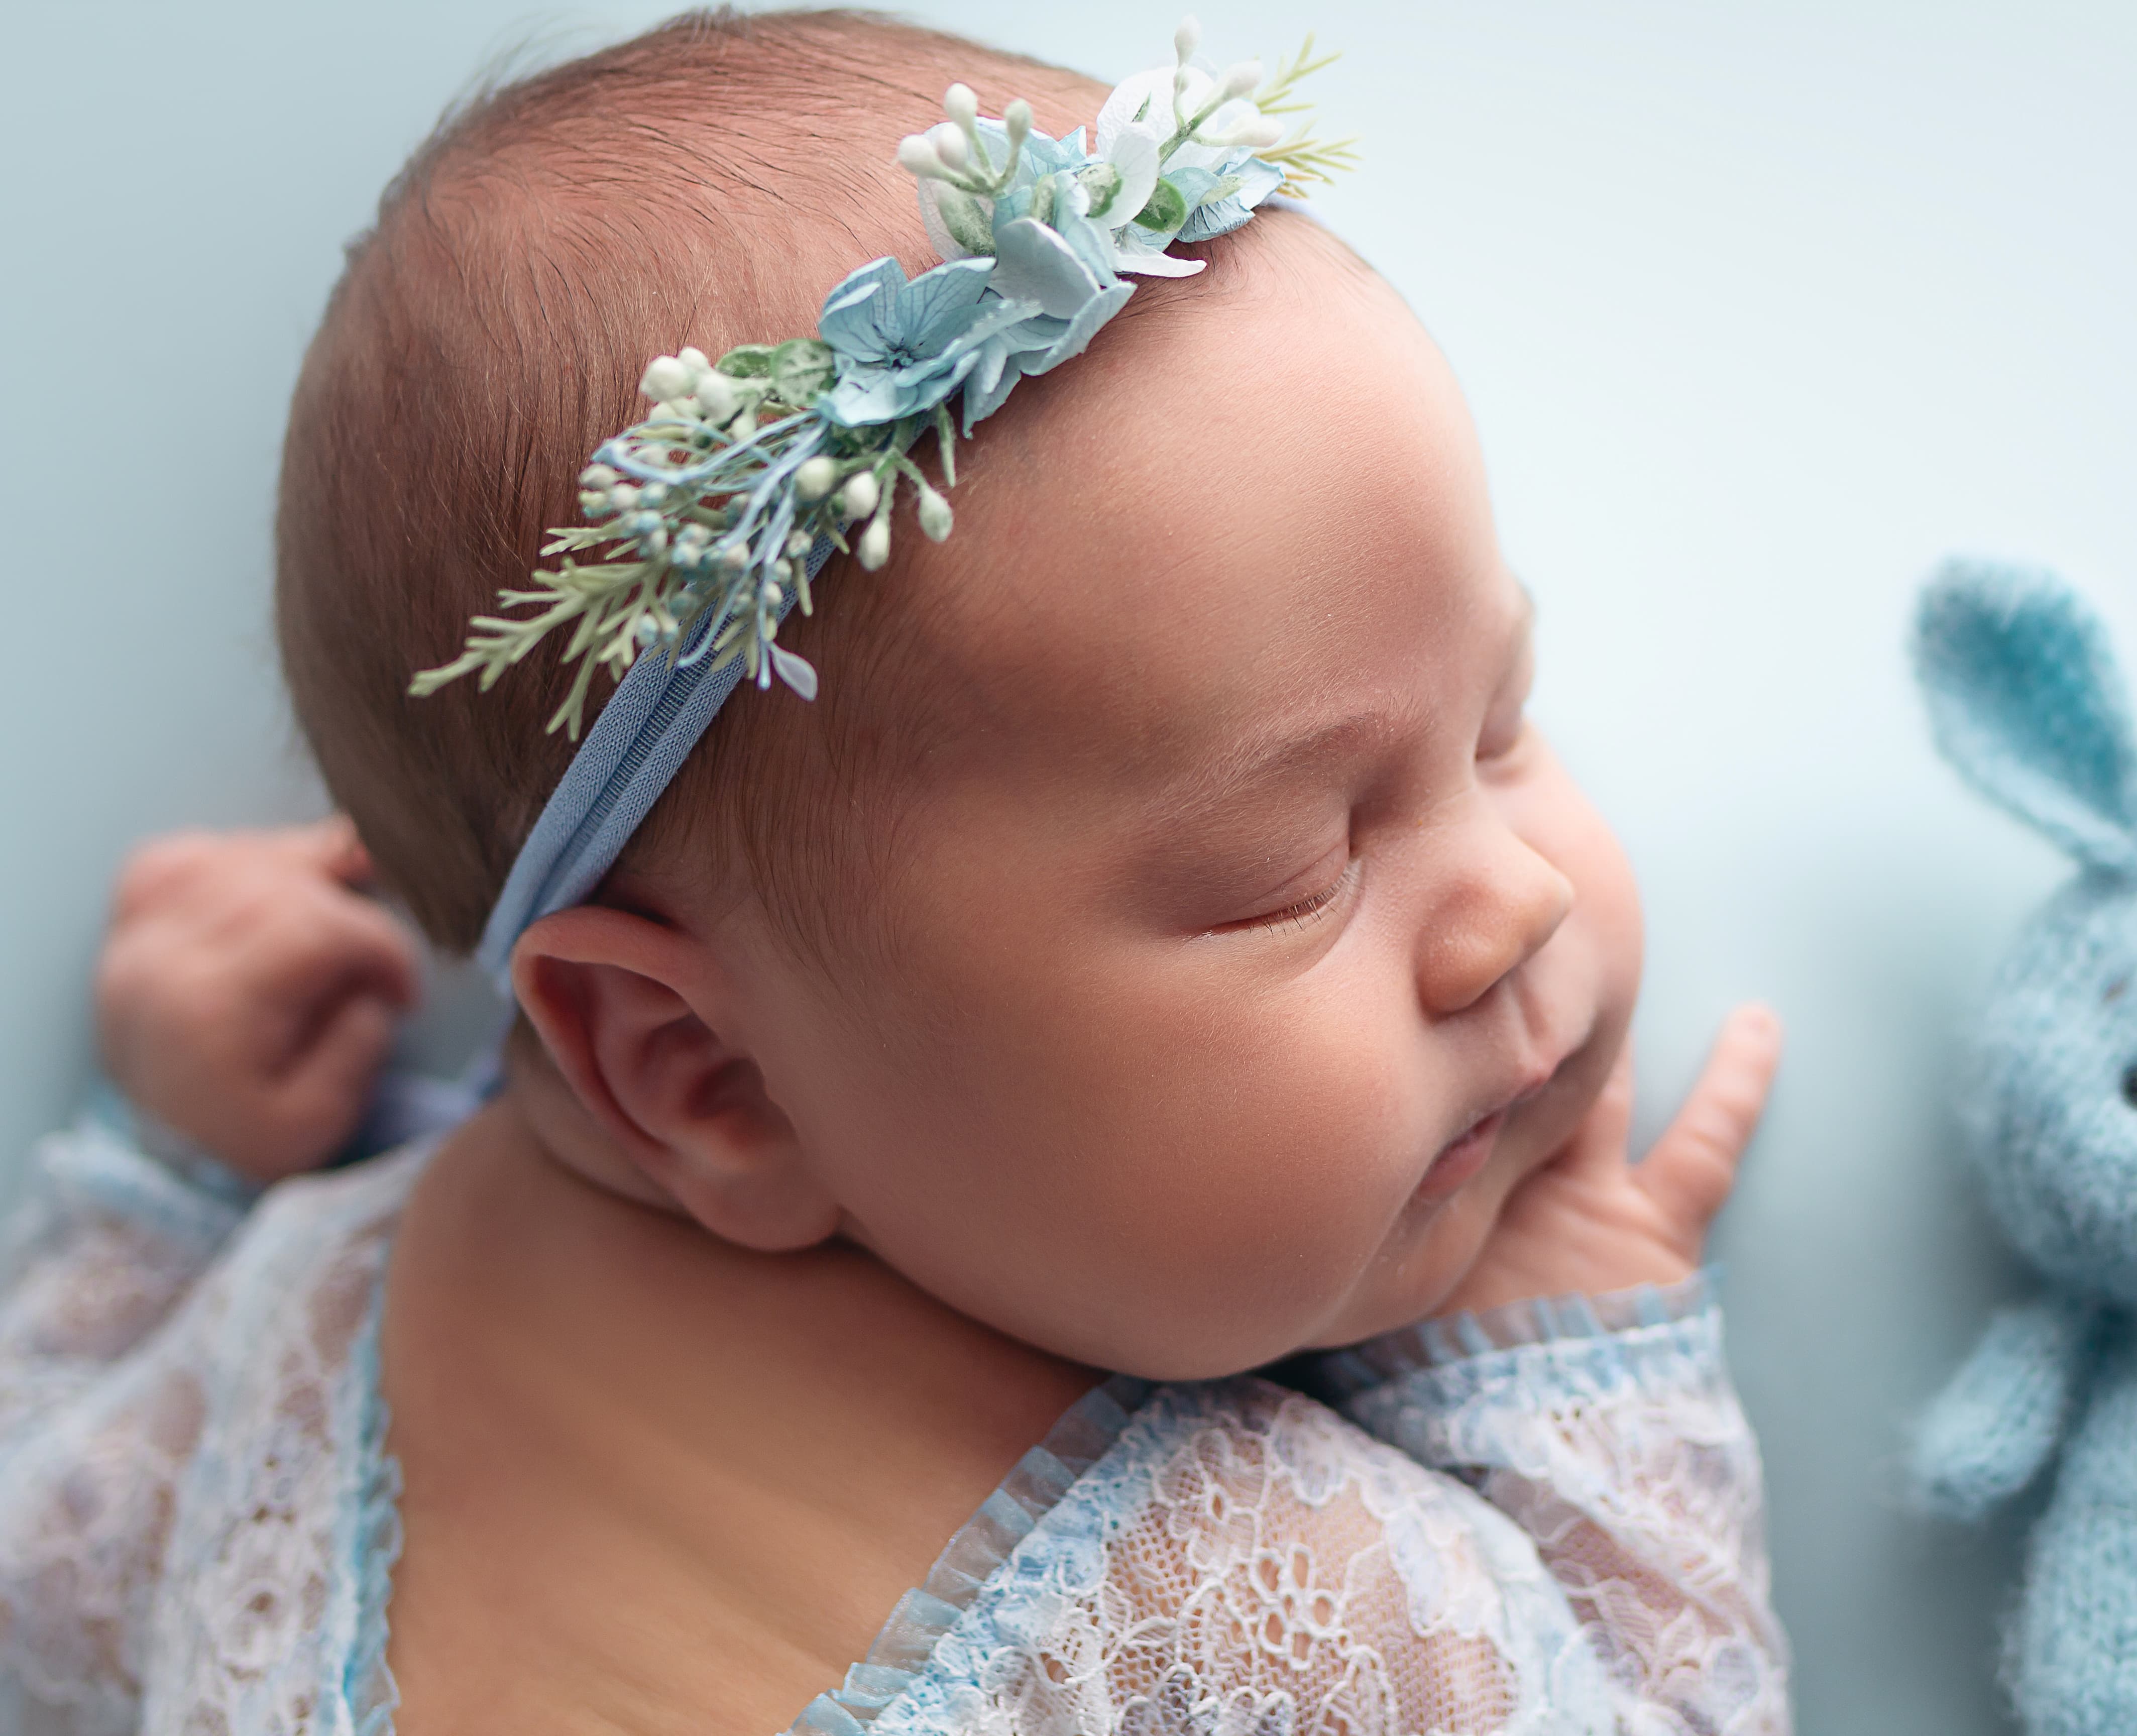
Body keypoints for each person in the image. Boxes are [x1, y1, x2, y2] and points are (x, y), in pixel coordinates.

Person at [0, 11, 1792, 1732]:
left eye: (1503, 723)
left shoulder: (284, 1322)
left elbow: (35, 1582)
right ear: (699, 1069)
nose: (1517, 906)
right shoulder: (1290, 1606)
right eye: (1286, 872)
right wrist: (1571, 1379)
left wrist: (163, 1180)